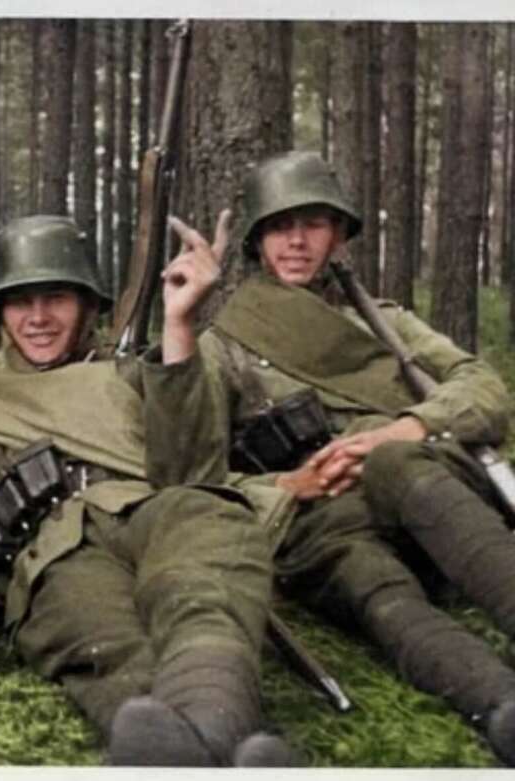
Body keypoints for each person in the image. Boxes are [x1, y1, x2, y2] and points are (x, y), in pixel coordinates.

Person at [198, 150, 515, 764]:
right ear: (258, 240)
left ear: (338, 235)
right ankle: (496, 701)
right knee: (374, 587)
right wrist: (293, 484)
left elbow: (483, 387)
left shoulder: (387, 324)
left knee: (396, 465)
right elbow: (199, 477)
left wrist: (403, 429)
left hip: (426, 503)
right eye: (281, 226)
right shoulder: (224, 348)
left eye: (314, 224)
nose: (296, 241)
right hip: (327, 528)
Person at [0, 214, 295, 766]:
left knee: (201, 589)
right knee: (104, 642)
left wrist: (180, 327)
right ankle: (214, 747)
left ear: (89, 306)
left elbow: (194, 474)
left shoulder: (135, 375)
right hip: (60, 553)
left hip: (159, 516)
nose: (39, 318)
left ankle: (209, 723)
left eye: (57, 298)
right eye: (21, 301)